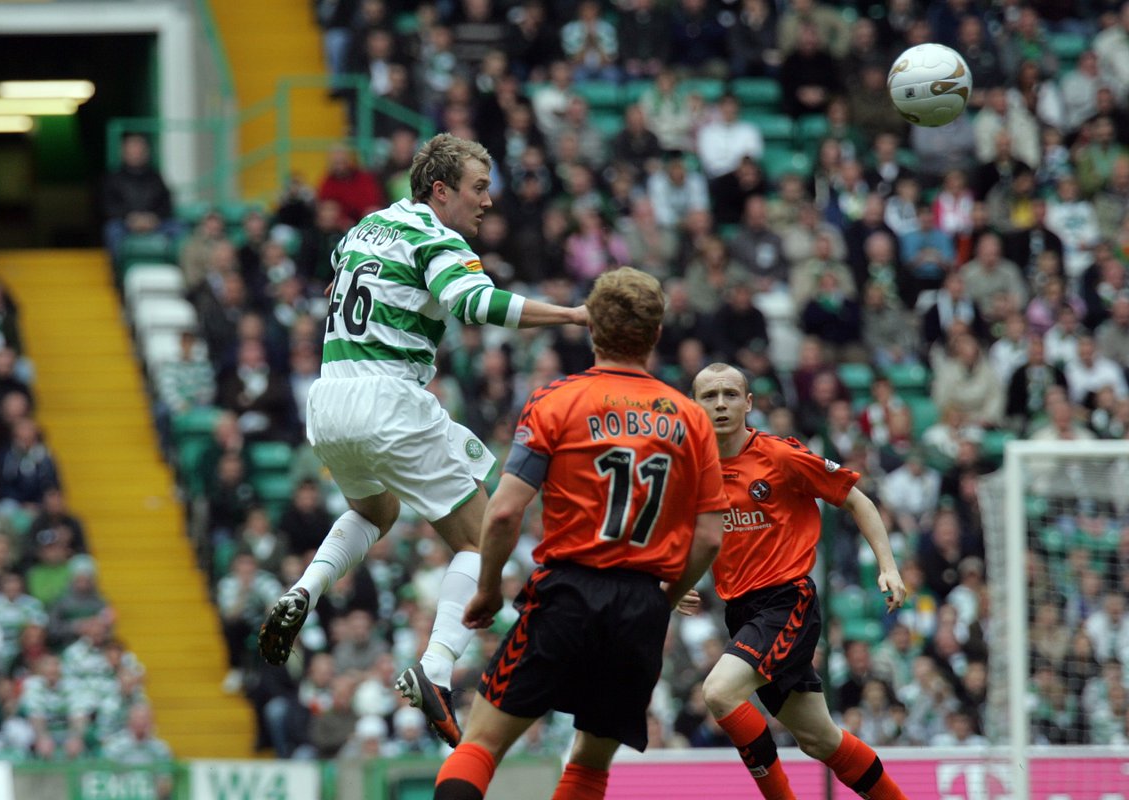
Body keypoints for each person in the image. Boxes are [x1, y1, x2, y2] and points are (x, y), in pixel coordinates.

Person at [257, 134, 587, 747]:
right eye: (478, 188)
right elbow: (472, 302)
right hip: (389, 399)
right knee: (483, 540)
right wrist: (569, 315)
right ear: (440, 190)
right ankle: (435, 669)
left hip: (329, 399)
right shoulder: (438, 237)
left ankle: (306, 587)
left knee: (374, 511)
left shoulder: (364, 228)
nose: (487, 202)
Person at [432, 267, 726, 799]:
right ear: (657, 334)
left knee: (480, 743)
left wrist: (488, 588)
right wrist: (668, 598)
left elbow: (502, 514)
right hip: (639, 608)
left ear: (591, 329)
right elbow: (708, 537)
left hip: (567, 594)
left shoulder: (556, 400)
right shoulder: (692, 419)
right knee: (590, 764)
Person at [691, 363, 910, 800]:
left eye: (730, 394)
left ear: (748, 403)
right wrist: (674, 581)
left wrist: (887, 565)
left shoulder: (779, 455)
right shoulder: (694, 468)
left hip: (786, 602)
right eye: (709, 396)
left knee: (718, 692)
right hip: (742, 613)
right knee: (819, 739)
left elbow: (857, 500)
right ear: (694, 407)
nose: (720, 404)